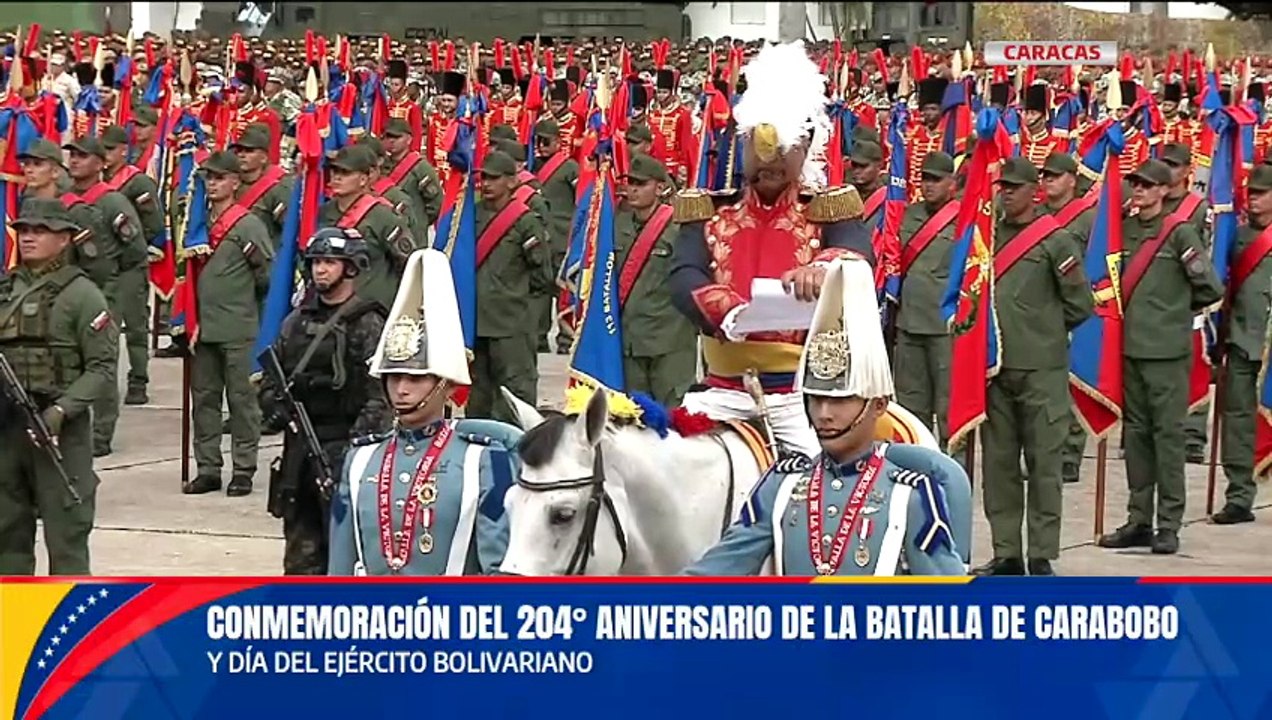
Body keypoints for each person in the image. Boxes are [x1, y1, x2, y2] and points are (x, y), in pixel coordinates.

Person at [683, 257, 971, 576]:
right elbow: (715, 571)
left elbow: (953, 604)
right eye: (816, 399)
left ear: (878, 404)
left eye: (840, 400)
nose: (824, 414)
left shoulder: (912, 495)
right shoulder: (782, 484)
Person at [669, 40, 873, 459]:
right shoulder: (709, 210)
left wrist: (824, 268)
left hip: (802, 391)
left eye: (784, 152)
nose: (771, 163)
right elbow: (683, 275)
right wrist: (729, 310)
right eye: (759, 152)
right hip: (722, 387)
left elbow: (858, 255)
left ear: (805, 147)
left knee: (825, 474)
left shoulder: (828, 210)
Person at [327, 248, 522, 576]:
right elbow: (340, 566)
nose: (401, 389)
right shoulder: (359, 459)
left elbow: (498, 571)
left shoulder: (486, 460)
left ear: (445, 383)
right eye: (393, 378)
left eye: (416, 378)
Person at [975, 157, 1093, 577]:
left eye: (1014, 186)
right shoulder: (985, 236)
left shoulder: (1055, 240)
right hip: (997, 370)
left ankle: (1041, 553)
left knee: (1044, 465)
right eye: (1002, 185)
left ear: (1034, 192)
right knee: (999, 465)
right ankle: (1006, 551)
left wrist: (1042, 330)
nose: (1005, 192)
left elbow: (1080, 304)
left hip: (1041, 369)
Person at [1099, 159, 1223, 555]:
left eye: (1148, 185)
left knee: (1168, 438)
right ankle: (1139, 519)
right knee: (1135, 437)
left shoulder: (1180, 234)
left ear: (1164, 190)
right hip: (1130, 350)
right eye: (1136, 184)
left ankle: (1168, 523)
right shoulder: (1128, 230)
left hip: (1167, 353)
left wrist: (1170, 314)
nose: (1139, 190)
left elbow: (1208, 288)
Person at [261, 228, 391, 575]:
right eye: (316, 262)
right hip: (299, 457)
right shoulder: (296, 322)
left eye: (330, 262)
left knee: (349, 562)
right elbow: (271, 381)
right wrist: (273, 408)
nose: (320, 270)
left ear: (351, 268)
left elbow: (380, 399)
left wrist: (352, 454)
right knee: (301, 564)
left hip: (346, 453)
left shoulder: (368, 323)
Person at [0, 198, 118, 575]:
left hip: (57, 431)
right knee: (7, 536)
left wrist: (62, 410)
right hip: (6, 430)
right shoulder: (5, 289)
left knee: (66, 538)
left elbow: (101, 367)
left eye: (41, 230)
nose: (30, 237)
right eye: (25, 230)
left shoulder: (81, 295)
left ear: (65, 238)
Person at [184, 151, 275, 497]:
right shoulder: (197, 224)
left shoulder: (247, 224)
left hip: (238, 326)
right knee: (204, 401)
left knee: (242, 403)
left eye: (220, 178)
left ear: (236, 182)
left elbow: (264, 275)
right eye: (209, 178)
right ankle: (207, 468)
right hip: (203, 328)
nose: (213, 184)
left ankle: (243, 469)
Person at [468, 151, 552, 424]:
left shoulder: (525, 221)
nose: (487, 183)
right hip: (477, 320)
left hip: (512, 322)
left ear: (512, 181)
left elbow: (542, 275)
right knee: (479, 392)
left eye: (495, 178)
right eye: (484, 177)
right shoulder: (472, 215)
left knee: (515, 389)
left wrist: (516, 299)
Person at [1211, 164, 1272, 525]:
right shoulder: (1238, 235)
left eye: (1261, 194)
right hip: (1242, 341)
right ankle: (1238, 495)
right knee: (1236, 420)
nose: (1253, 200)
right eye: (1251, 193)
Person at [616, 153, 696, 406]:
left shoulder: (680, 228)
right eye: (630, 183)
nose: (633, 190)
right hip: (630, 342)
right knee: (634, 418)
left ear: (660, 188)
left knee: (672, 418)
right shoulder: (618, 226)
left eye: (641, 184)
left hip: (668, 341)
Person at [894, 151, 959, 451]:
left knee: (948, 407)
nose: (928, 185)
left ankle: (951, 470)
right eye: (925, 179)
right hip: (909, 323)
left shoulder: (963, 218)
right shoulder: (909, 214)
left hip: (945, 327)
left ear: (952, 183)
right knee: (910, 405)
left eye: (936, 180)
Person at [318, 145, 416, 312]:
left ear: (363, 179)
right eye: (334, 171)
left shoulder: (383, 216)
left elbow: (410, 264)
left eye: (345, 173)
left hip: (371, 312)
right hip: (330, 308)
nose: (337, 178)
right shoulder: (324, 212)